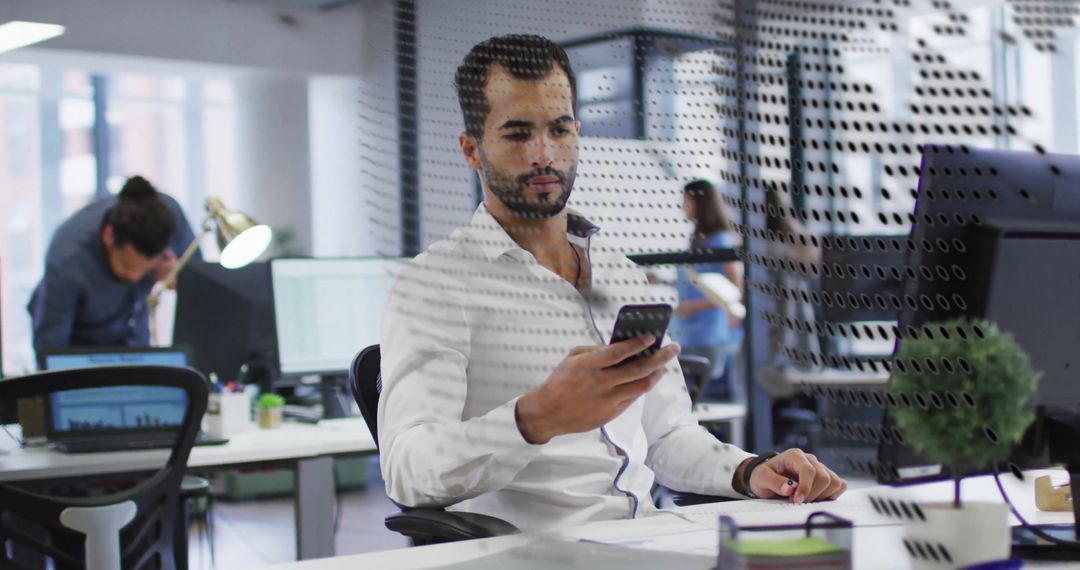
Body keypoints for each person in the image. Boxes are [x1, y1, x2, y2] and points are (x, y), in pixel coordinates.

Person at [378, 34, 847, 533]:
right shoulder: (436, 284)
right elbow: (407, 470)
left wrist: (750, 471)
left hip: (644, 537)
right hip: (533, 552)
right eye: (517, 134)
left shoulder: (620, 273)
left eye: (559, 130)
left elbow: (667, 436)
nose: (543, 154)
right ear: (472, 149)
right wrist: (535, 417)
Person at [27, 176, 198, 356]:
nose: (135, 277)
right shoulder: (67, 255)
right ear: (109, 236)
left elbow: (199, 281)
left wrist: (180, 277)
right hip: (81, 345)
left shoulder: (168, 217)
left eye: (146, 270)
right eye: (127, 267)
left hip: (135, 338)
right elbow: (51, 346)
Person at [672, 179, 744, 402]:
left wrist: (693, 307)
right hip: (691, 332)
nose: (683, 206)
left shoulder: (721, 241)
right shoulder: (698, 241)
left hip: (711, 332)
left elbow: (735, 291)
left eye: (687, 201)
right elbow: (697, 284)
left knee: (704, 396)